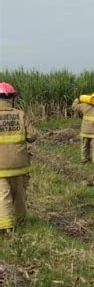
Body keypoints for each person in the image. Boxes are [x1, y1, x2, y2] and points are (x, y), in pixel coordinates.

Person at [0, 82, 37, 233]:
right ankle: (21, 222)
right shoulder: (21, 114)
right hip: (19, 165)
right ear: (12, 98)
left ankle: (6, 227)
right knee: (20, 194)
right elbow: (32, 136)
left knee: (3, 195)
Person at [72, 91, 94, 163]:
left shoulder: (84, 106)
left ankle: (84, 160)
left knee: (84, 145)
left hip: (85, 131)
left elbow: (74, 107)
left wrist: (77, 100)